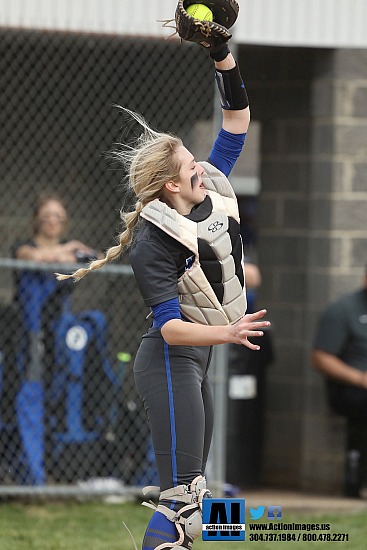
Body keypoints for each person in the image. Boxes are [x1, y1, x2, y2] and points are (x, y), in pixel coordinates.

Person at [57, 16, 270, 550]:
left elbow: (237, 118)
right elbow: (171, 331)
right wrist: (227, 333)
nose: (200, 165)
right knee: (181, 497)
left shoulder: (211, 185)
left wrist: (223, 55)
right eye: (187, 165)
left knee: (199, 498)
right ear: (171, 184)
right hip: (171, 361)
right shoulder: (155, 243)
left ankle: (207, 539)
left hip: (198, 361)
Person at [10, 193, 99, 485]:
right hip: (31, 336)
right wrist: (69, 250)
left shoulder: (71, 253)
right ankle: (33, 478)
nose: (53, 220)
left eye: (59, 216)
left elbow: (95, 258)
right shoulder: (24, 248)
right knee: (30, 399)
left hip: (58, 337)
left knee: (60, 399)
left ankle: (56, 470)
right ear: (36, 218)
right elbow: (36, 258)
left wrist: (74, 253)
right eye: (47, 214)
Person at [311, 265, 367, 498]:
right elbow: (320, 357)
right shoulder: (344, 309)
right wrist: (361, 378)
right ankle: (359, 482)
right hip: (352, 388)